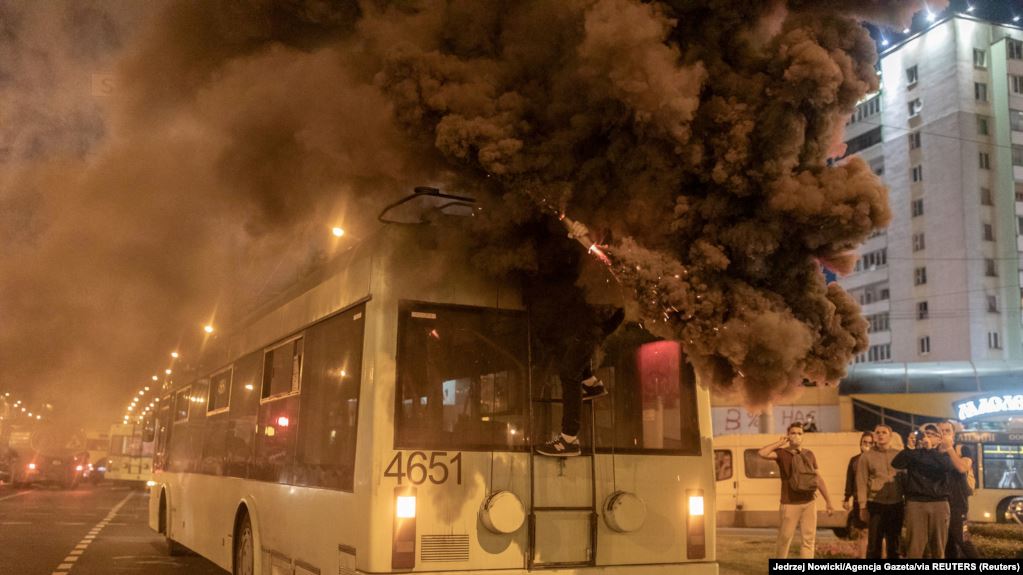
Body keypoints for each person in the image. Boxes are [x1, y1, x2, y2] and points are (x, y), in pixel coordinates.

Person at [536, 306, 624, 457]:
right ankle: (590, 384)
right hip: (591, 320)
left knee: (569, 372)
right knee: (566, 352)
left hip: (591, 321)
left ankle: (569, 440)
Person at [758, 422, 836, 558]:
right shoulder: (782, 453)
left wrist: (828, 501)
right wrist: (779, 443)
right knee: (784, 539)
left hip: (809, 502)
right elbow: (762, 453)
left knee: (808, 540)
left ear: (803, 436)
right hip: (789, 503)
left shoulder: (809, 454)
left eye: (799, 433)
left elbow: (818, 478)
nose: (796, 436)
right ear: (788, 435)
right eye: (793, 433)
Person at [892, 423, 955, 558]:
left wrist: (931, 449)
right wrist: (908, 447)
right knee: (914, 546)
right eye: (925, 434)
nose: (927, 437)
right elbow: (896, 464)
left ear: (939, 439)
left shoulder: (944, 455)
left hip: (939, 503)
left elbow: (946, 467)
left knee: (938, 547)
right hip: (916, 503)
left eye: (931, 435)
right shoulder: (914, 454)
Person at [856, 424, 904, 559]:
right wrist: (862, 506)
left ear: (890, 435)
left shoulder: (899, 455)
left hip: (896, 504)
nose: (881, 435)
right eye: (878, 432)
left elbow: (904, 479)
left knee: (894, 544)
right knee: (874, 545)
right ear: (874, 436)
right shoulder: (867, 456)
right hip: (875, 504)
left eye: (884, 432)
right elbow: (861, 482)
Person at [940, 420, 979, 559]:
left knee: (963, 540)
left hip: (958, 504)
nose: (944, 434)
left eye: (947, 431)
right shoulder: (934, 451)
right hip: (940, 503)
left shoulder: (962, 449)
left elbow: (962, 468)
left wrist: (950, 449)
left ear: (953, 434)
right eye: (941, 431)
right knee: (947, 544)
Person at [843, 432, 874, 557]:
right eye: (864, 442)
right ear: (860, 444)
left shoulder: (877, 460)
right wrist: (846, 497)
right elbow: (849, 479)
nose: (867, 445)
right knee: (863, 532)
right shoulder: (855, 460)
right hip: (859, 500)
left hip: (876, 500)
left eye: (870, 443)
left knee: (878, 534)